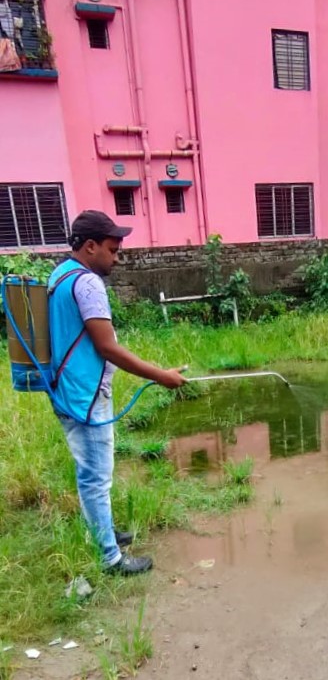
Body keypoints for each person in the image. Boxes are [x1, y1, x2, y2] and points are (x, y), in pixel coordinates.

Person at [48, 210, 187, 575]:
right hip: (85, 398)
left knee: (89, 473)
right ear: (90, 246)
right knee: (96, 477)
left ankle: (103, 530)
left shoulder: (59, 275)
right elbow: (107, 347)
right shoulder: (88, 283)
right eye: (112, 249)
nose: (117, 256)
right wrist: (161, 376)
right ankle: (111, 559)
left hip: (65, 391)